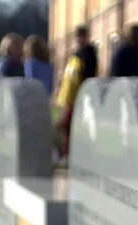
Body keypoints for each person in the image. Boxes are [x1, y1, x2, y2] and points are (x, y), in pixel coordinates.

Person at [55, 25, 96, 160]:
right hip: (69, 97)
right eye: (77, 37)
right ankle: (67, 153)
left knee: (70, 126)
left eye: (81, 37)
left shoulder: (88, 55)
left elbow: (88, 76)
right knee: (67, 127)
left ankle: (71, 154)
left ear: (86, 37)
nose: (79, 40)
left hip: (79, 97)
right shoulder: (75, 55)